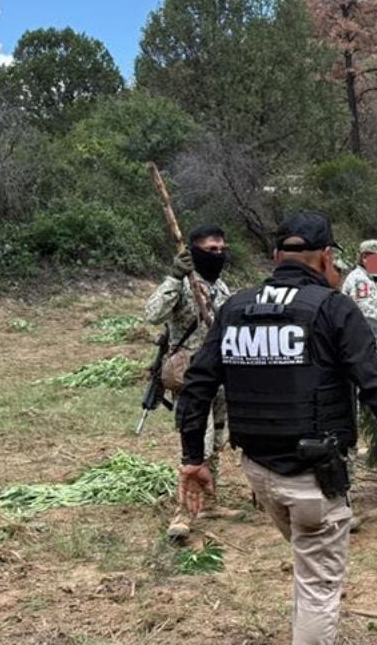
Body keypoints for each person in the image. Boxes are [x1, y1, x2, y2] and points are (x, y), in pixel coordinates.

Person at [175, 211, 377, 645]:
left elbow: (197, 386)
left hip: (260, 474)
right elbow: (375, 384)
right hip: (313, 477)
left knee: (308, 564)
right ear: (326, 258)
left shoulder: (236, 307)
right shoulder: (335, 308)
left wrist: (191, 459)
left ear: (276, 257)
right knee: (319, 588)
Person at [145, 223, 233, 540]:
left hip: (221, 374)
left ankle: (210, 501)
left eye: (222, 249)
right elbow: (153, 314)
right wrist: (174, 276)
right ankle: (183, 511)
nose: (218, 254)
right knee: (197, 442)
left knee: (218, 439)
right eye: (211, 249)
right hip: (192, 377)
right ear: (194, 251)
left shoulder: (221, 287)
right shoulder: (181, 284)